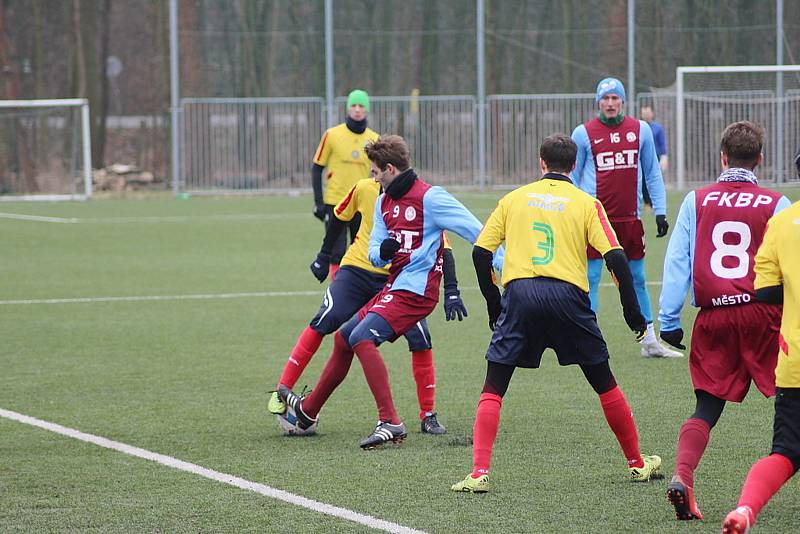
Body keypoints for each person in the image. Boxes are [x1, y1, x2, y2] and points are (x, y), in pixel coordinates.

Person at [451, 134, 661, 494]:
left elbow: (480, 252)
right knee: (604, 381)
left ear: (541, 163)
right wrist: (633, 315)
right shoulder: (586, 203)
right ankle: (638, 464)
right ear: (575, 166)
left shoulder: (513, 199)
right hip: (569, 298)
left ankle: (479, 473)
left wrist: (494, 303)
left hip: (520, 296)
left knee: (494, 385)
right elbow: (616, 258)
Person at [277, 134, 488, 449]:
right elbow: (374, 251)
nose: (372, 178)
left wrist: (505, 271)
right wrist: (384, 252)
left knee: (363, 338)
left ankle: (391, 422)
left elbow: (479, 234)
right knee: (344, 337)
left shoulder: (431, 198)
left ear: (390, 169)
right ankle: (307, 413)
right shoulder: (382, 201)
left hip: (418, 292)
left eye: (375, 172)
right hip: (394, 285)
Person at [658, 121, 791, 521]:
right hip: (764, 315)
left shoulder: (697, 200)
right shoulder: (776, 203)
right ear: (760, 160)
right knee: (793, 400)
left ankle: (682, 476)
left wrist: (668, 318)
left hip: (714, 316)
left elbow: (678, 259)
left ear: (722, 157)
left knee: (706, 405)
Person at [571, 77, 681, 358]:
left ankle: (649, 341)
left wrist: (660, 210)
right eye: (605, 98)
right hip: (595, 220)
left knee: (638, 278)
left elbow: (653, 172)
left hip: (630, 219)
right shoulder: (583, 134)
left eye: (615, 98)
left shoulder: (640, 130)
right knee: (591, 277)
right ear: (598, 102)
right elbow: (571, 178)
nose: (610, 103)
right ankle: (587, 340)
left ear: (623, 101)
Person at [720, 151, 800, 534]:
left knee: (785, 453)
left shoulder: (782, 223)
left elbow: (765, 290)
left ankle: (746, 509)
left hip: (795, 359)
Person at [311, 89, 379, 279]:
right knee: (336, 251)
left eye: (361, 106)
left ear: (367, 110)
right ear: (348, 109)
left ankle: (358, 293)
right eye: (354, 106)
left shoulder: (375, 139)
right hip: (336, 202)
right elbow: (317, 168)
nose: (357, 110)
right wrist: (319, 202)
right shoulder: (332, 135)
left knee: (362, 250)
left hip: (363, 204)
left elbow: (381, 174)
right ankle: (336, 290)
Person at [640, 104, 669, 208]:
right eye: (644, 113)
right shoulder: (640, 127)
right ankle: (646, 202)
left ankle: (656, 203)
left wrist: (664, 157)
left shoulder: (658, 128)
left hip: (655, 157)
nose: (646, 115)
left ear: (652, 113)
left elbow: (662, 143)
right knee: (642, 180)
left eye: (648, 112)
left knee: (654, 179)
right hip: (641, 157)